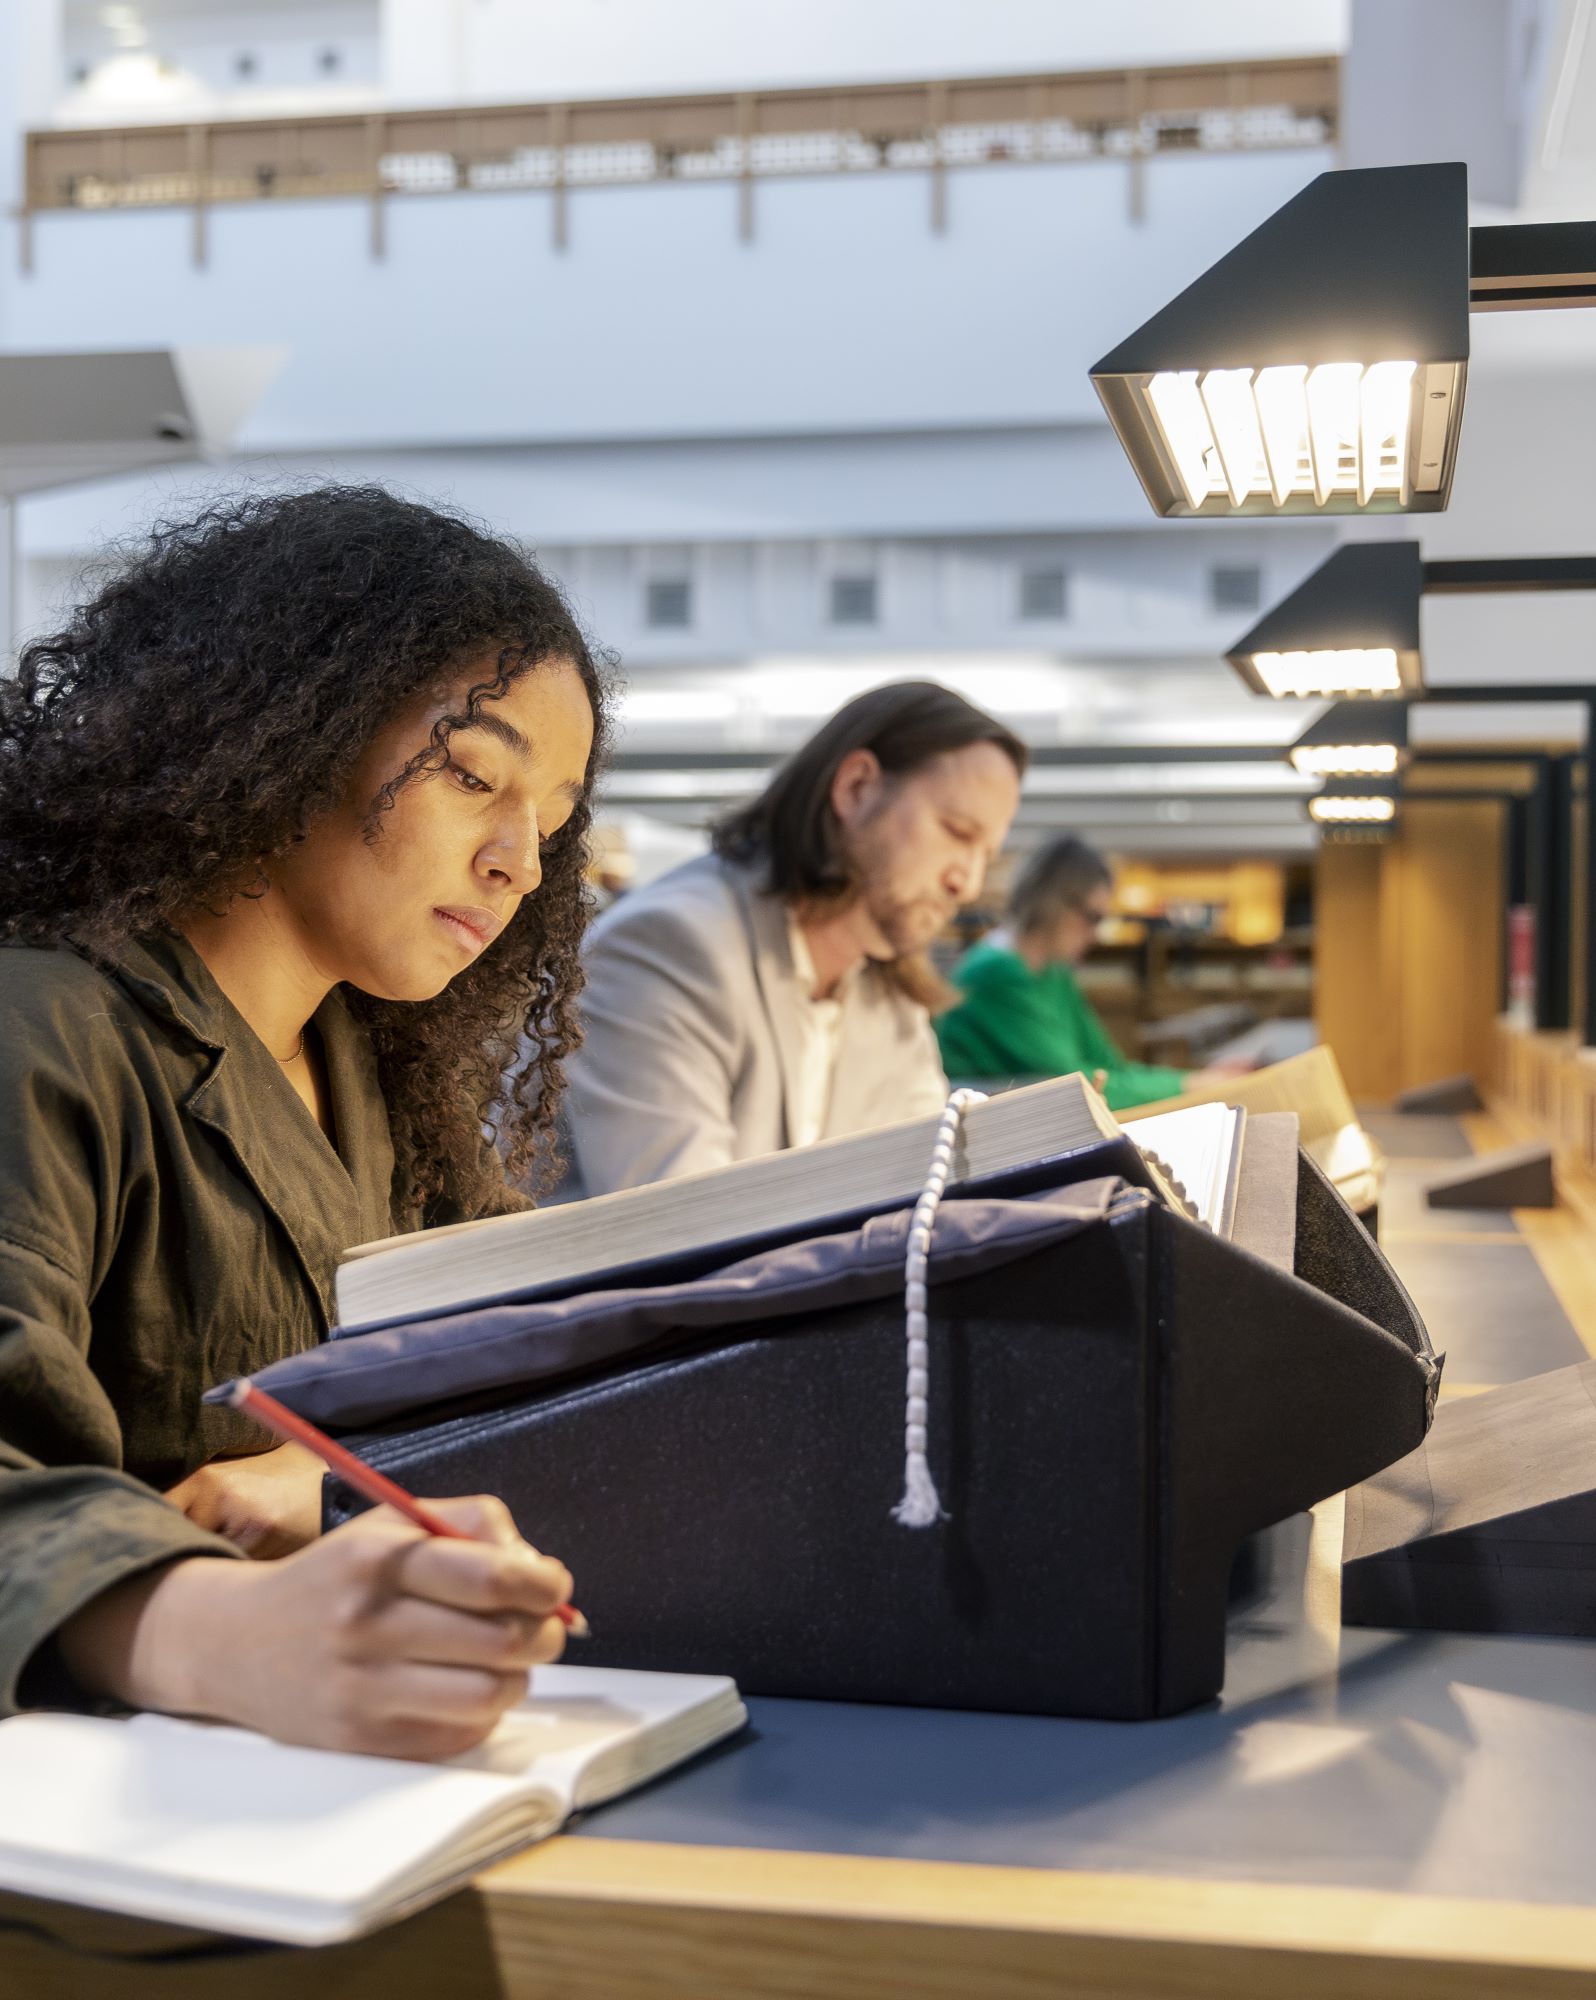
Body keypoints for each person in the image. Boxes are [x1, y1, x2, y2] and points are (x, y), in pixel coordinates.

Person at [0, 486, 605, 1758]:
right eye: (472, 773)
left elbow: (532, 1371)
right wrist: (222, 1628)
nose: (521, 862)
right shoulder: (44, 1032)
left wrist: (331, 1481)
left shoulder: (384, 1092)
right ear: (286, 731)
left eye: (548, 824)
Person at [566, 681, 1025, 1192]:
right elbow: (679, 1231)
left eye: (987, 855)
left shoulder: (889, 1001)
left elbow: (925, 1193)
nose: (968, 882)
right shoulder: (668, 946)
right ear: (856, 788)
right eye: (958, 832)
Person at [936, 835, 1244, 1110]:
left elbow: (1107, 1068)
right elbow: (1078, 1090)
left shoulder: (1053, 972)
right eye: (1092, 917)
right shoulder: (994, 974)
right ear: (1054, 902)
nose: (1096, 935)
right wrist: (1190, 1085)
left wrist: (1196, 1081)